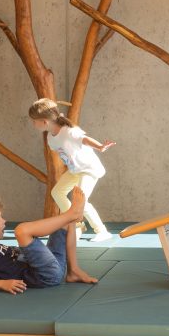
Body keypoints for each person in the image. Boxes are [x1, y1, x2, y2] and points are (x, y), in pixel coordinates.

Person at [0, 186, 98, 293]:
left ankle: (73, 271)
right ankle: (72, 214)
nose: (4, 221)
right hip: (45, 275)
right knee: (21, 231)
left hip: (51, 268)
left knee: (64, 221)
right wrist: (2, 284)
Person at [28, 99, 115, 243]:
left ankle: (102, 231)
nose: (33, 124)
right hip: (76, 170)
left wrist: (100, 147)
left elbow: (84, 139)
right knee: (57, 192)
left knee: (80, 201)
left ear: (44, 121)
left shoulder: (69, 131)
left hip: (88, 169)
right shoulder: (50, 137)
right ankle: (77, 224)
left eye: (34, 121)